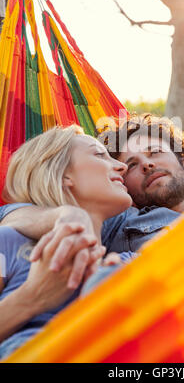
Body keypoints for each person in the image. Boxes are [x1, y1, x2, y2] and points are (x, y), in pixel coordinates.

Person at [0, 102, 184, 292]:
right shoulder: (121, 218)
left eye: (154, 152)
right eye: (131, 164)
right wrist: (65, 215)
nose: (147, 164)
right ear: (122, 181)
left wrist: (183, 167)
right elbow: (10, 215)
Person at [0, 125, 133, 359]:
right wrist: (31, 297)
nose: (122, 166)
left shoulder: (125, 261)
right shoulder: (8, 242)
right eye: (99, 154)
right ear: (62, 175)